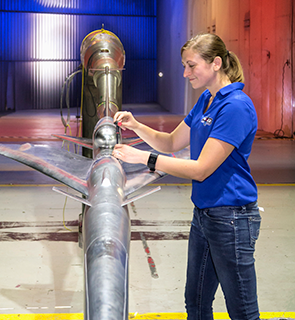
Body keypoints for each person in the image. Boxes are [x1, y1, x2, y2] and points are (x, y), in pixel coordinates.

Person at [112, 33, 261, 320]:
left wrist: (145, 159)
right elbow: (170, 142)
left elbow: (202, 168)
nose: (185, 73)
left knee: (242, 312)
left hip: (232, 219)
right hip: (205, 216)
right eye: (184, 66)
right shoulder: (206, 100)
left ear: (216, 63)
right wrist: (136, 126)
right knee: (195, 304)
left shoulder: (235, 106)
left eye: (191, 66)